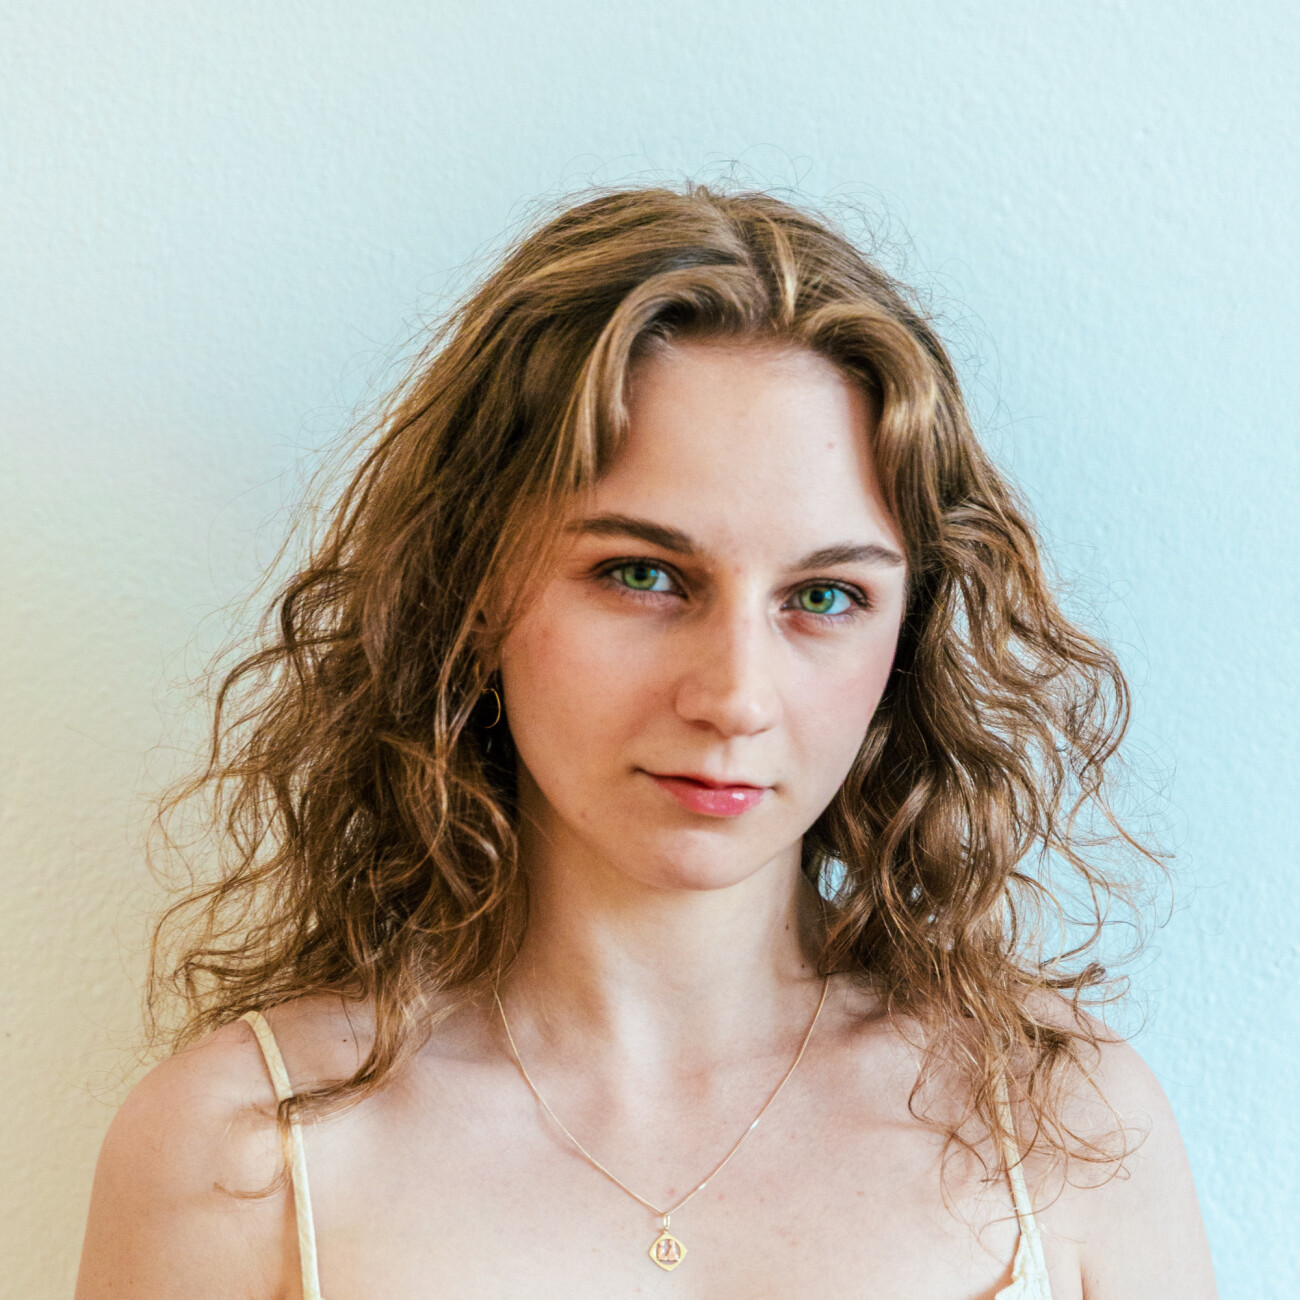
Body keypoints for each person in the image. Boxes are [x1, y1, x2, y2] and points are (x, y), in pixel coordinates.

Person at [75, 183, 1217, 1299]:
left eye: (824, 597)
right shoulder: (241, 1154)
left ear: (905, 635)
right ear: (475, 584)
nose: (735, 697)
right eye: (642, 575)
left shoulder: (1065, 1127)